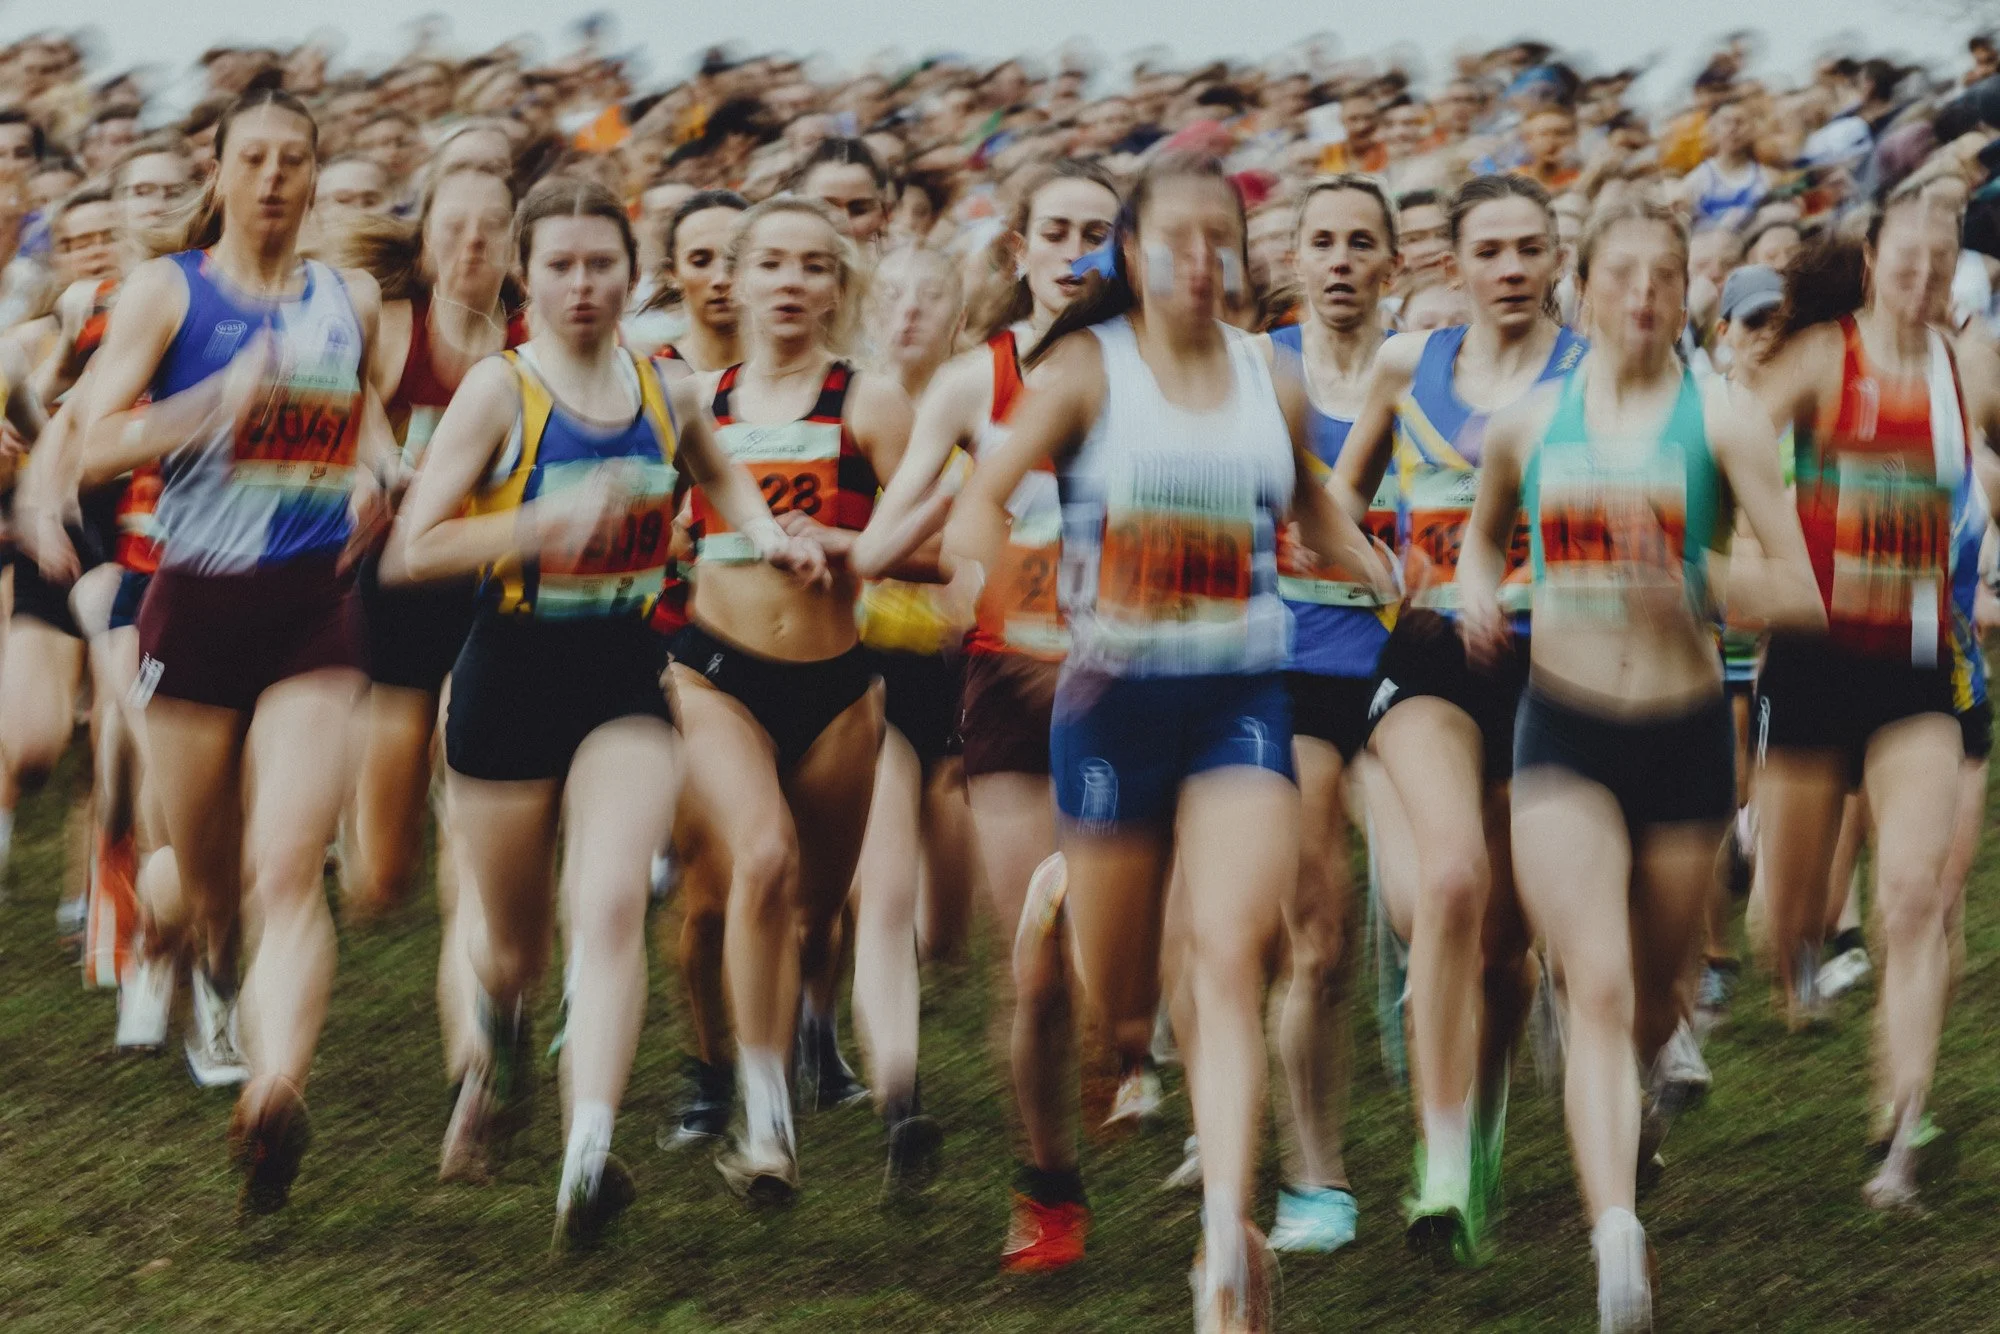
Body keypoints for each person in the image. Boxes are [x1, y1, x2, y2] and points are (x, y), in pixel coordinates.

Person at [945, 151, 1388, 1333]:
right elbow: (980, 497)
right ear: (1131, 257)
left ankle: (1224, 1236)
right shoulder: (1089, 368)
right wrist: (997, 593)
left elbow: (1303, 500)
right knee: (1118, 1016)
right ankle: (1063, 897)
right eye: (1175, 240)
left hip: (1241, 696)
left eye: (1220, 239)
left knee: (1232, 953)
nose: (1201, 260)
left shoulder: (1267, 374)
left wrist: (1373, 559)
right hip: (1111, 707)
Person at [390, 176, 824, 1239]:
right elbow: (411, 545)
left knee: (613, 900)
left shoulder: (663, 386)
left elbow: (715, 468)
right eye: (561, 266)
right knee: (512, 945)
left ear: (633, 275)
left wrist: (767, 537)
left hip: (622, 671)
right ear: (524, 278)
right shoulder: (500, 391)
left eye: (602, 265)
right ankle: (499, 1022)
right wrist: (536, 524)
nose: (583, 285)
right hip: (506, 669)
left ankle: (588, 1152)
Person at [1457, 199, 1821, 1332]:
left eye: (1663, 275)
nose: (1641, 295)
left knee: (1658, 1002)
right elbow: (1478, 534)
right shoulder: (1525, 427)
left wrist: (1702, 578)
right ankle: (1616, 1236)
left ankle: (1631, 1116)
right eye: (1620, 274)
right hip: (1559, 730)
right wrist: (1475, 585)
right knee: (1595, 984)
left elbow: (1801, 593)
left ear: (1685, 291)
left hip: (1678, 740)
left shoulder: (1722, 421)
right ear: (1584, 283)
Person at [74, 88, 392, 1215]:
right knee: (208, 890)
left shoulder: (348, 298)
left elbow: (369, 425)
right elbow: (89, 444)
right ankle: (159, 918)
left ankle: (272, 1093)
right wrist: (209, 403)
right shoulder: (173, 292)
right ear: (221, 170)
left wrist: (376, 474)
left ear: (314, 175)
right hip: (192, 612)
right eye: (251, 157)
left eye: (292, 158)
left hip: (311, 613)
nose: (272, 177)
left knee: (286, 871)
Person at [851, 157, 1118, 1271]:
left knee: (1134, 951)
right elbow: (887, 537)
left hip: (1148, 681)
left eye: (1095, 232)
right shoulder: (973, 382)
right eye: (1052, 230)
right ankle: (1046, 1184)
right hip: (1013, 683)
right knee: (1035, 956)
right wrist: (974, 568)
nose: (1073, 250)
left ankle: (1133, 1056)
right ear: (1018, 249)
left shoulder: (1166, 376)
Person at [1333, 173, 1586, 1267]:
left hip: (1556, 662)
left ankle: (1479, 1133)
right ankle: (1437, 1163)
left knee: (1507, 944)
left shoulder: (1594, 376)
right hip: (1431, 654)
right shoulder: (1405, 365)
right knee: (1445, 881)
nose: (1511, 270)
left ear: (1556, 261)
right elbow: (1335, 499)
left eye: (1530, 249)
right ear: (1453, 263)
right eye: (1489, 251)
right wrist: (1383, 575)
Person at [667, 195, 912, 1204]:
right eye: (769, 262)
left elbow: (948, 548)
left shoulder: (869, 401)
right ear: (734, 275)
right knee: (745, 868)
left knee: (813, 916)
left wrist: (863, 546)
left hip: (838, 683)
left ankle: (789, 1049)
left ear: (835, 287)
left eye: (812, 266)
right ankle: (754, 1114)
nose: (787, 283)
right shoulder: (692, 401)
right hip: (714, 672)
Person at [1752, 183, 1987, 1211]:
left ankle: (1895, 1136)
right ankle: (1782, 942)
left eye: (1940, 262)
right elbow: (1726, 452)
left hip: (1914, 671)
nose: (1924, 275)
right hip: (1808, 662)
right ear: (1869, 260)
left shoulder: (1966, 365)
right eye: (1908, 257)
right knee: (1786, 924)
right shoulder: (1816, 360)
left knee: (1913, 894)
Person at [1248, 173, 1404, 1255]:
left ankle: (1459, 1123)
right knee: (1318, 938)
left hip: (1410, 668)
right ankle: (1314, 1175)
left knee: (1450, 905)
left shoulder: (1428, 374)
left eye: (1360, 242)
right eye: (1322, 242)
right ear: (1293, 261)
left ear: (1393, 261)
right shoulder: (1259, 372)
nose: (1340, 259)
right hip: (1293, 669)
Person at [846, 241, 978, 1187]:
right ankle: (901, 1100)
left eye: (929, 296)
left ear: (958, 312)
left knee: (946, 930)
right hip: (873, 668)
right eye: (890, 295)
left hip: (972, 674)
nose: (907, 312)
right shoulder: (848, 409)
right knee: (884, 896)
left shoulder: (991, 412)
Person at [1675, 98, 1771, 233]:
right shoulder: (1697, 180)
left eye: (1740, 122)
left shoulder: (1767, 177)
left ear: (1752, 128)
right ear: (1713, 128)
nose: (1733, 129)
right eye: (1726, 122)